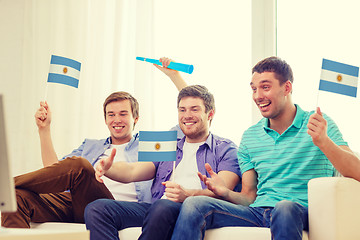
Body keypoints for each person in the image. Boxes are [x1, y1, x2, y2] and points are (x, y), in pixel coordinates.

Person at [170, 56, 360, 240]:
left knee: (284, 207)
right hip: (258, 212)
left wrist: (324, 142)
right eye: (254, 89)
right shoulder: (250, 136)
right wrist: (225, 192)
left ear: (287, 87)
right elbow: (249, 197)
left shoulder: (319, 124)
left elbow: (357, 172)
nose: (258, 96)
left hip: (299, 211)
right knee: (194, 204)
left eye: (265, 87)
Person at [84, 77, 242, 240]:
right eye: (182, 110)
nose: (187, 115)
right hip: (157, 209)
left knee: (163, 206)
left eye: (194, 109)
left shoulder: (225, 148)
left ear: (210, 114)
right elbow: (133, 171)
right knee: (96, 208)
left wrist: (187, 195)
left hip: (192, 210)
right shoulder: (168, 143)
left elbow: (223, 191)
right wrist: (108, 168)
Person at [0, 91, 155, 228]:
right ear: (105, 119)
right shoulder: (91, 145)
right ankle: (7, 190)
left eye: (123, 114)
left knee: (80, 166)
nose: (117, 120)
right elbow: (54, 172)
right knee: (15, 198)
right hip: (76, 203)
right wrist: (44, 129)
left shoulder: (149, 145)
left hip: (117, 209)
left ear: (135, 118)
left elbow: (180, 128)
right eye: (111, 114)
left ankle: (4, 186)